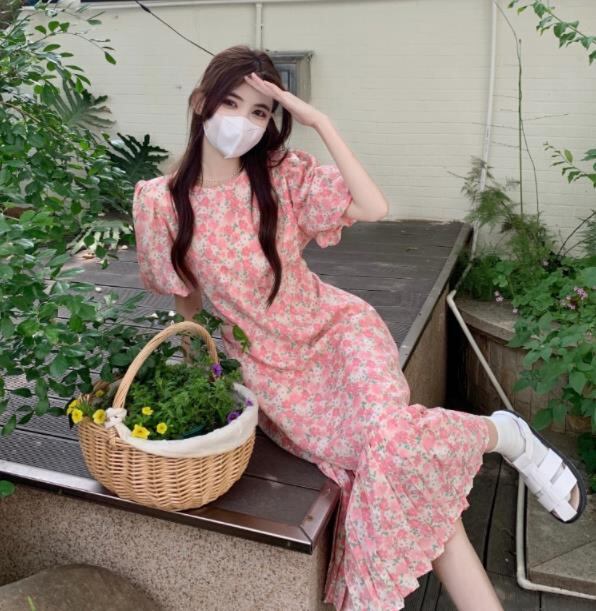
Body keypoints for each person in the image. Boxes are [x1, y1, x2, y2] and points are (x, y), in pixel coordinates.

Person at [131, 45, 586, 611]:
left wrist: (320, 121)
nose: (244, 121)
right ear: (202, 102)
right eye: (232, 103)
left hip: (337, 332)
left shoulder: (281, 176)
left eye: (259, 111)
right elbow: (187, 299)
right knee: (392, 467)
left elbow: (372, 207)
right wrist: (198, 373)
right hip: (273, 373)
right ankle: (502, 434)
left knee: (389, 441)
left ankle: (505, 437)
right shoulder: (160, 203)